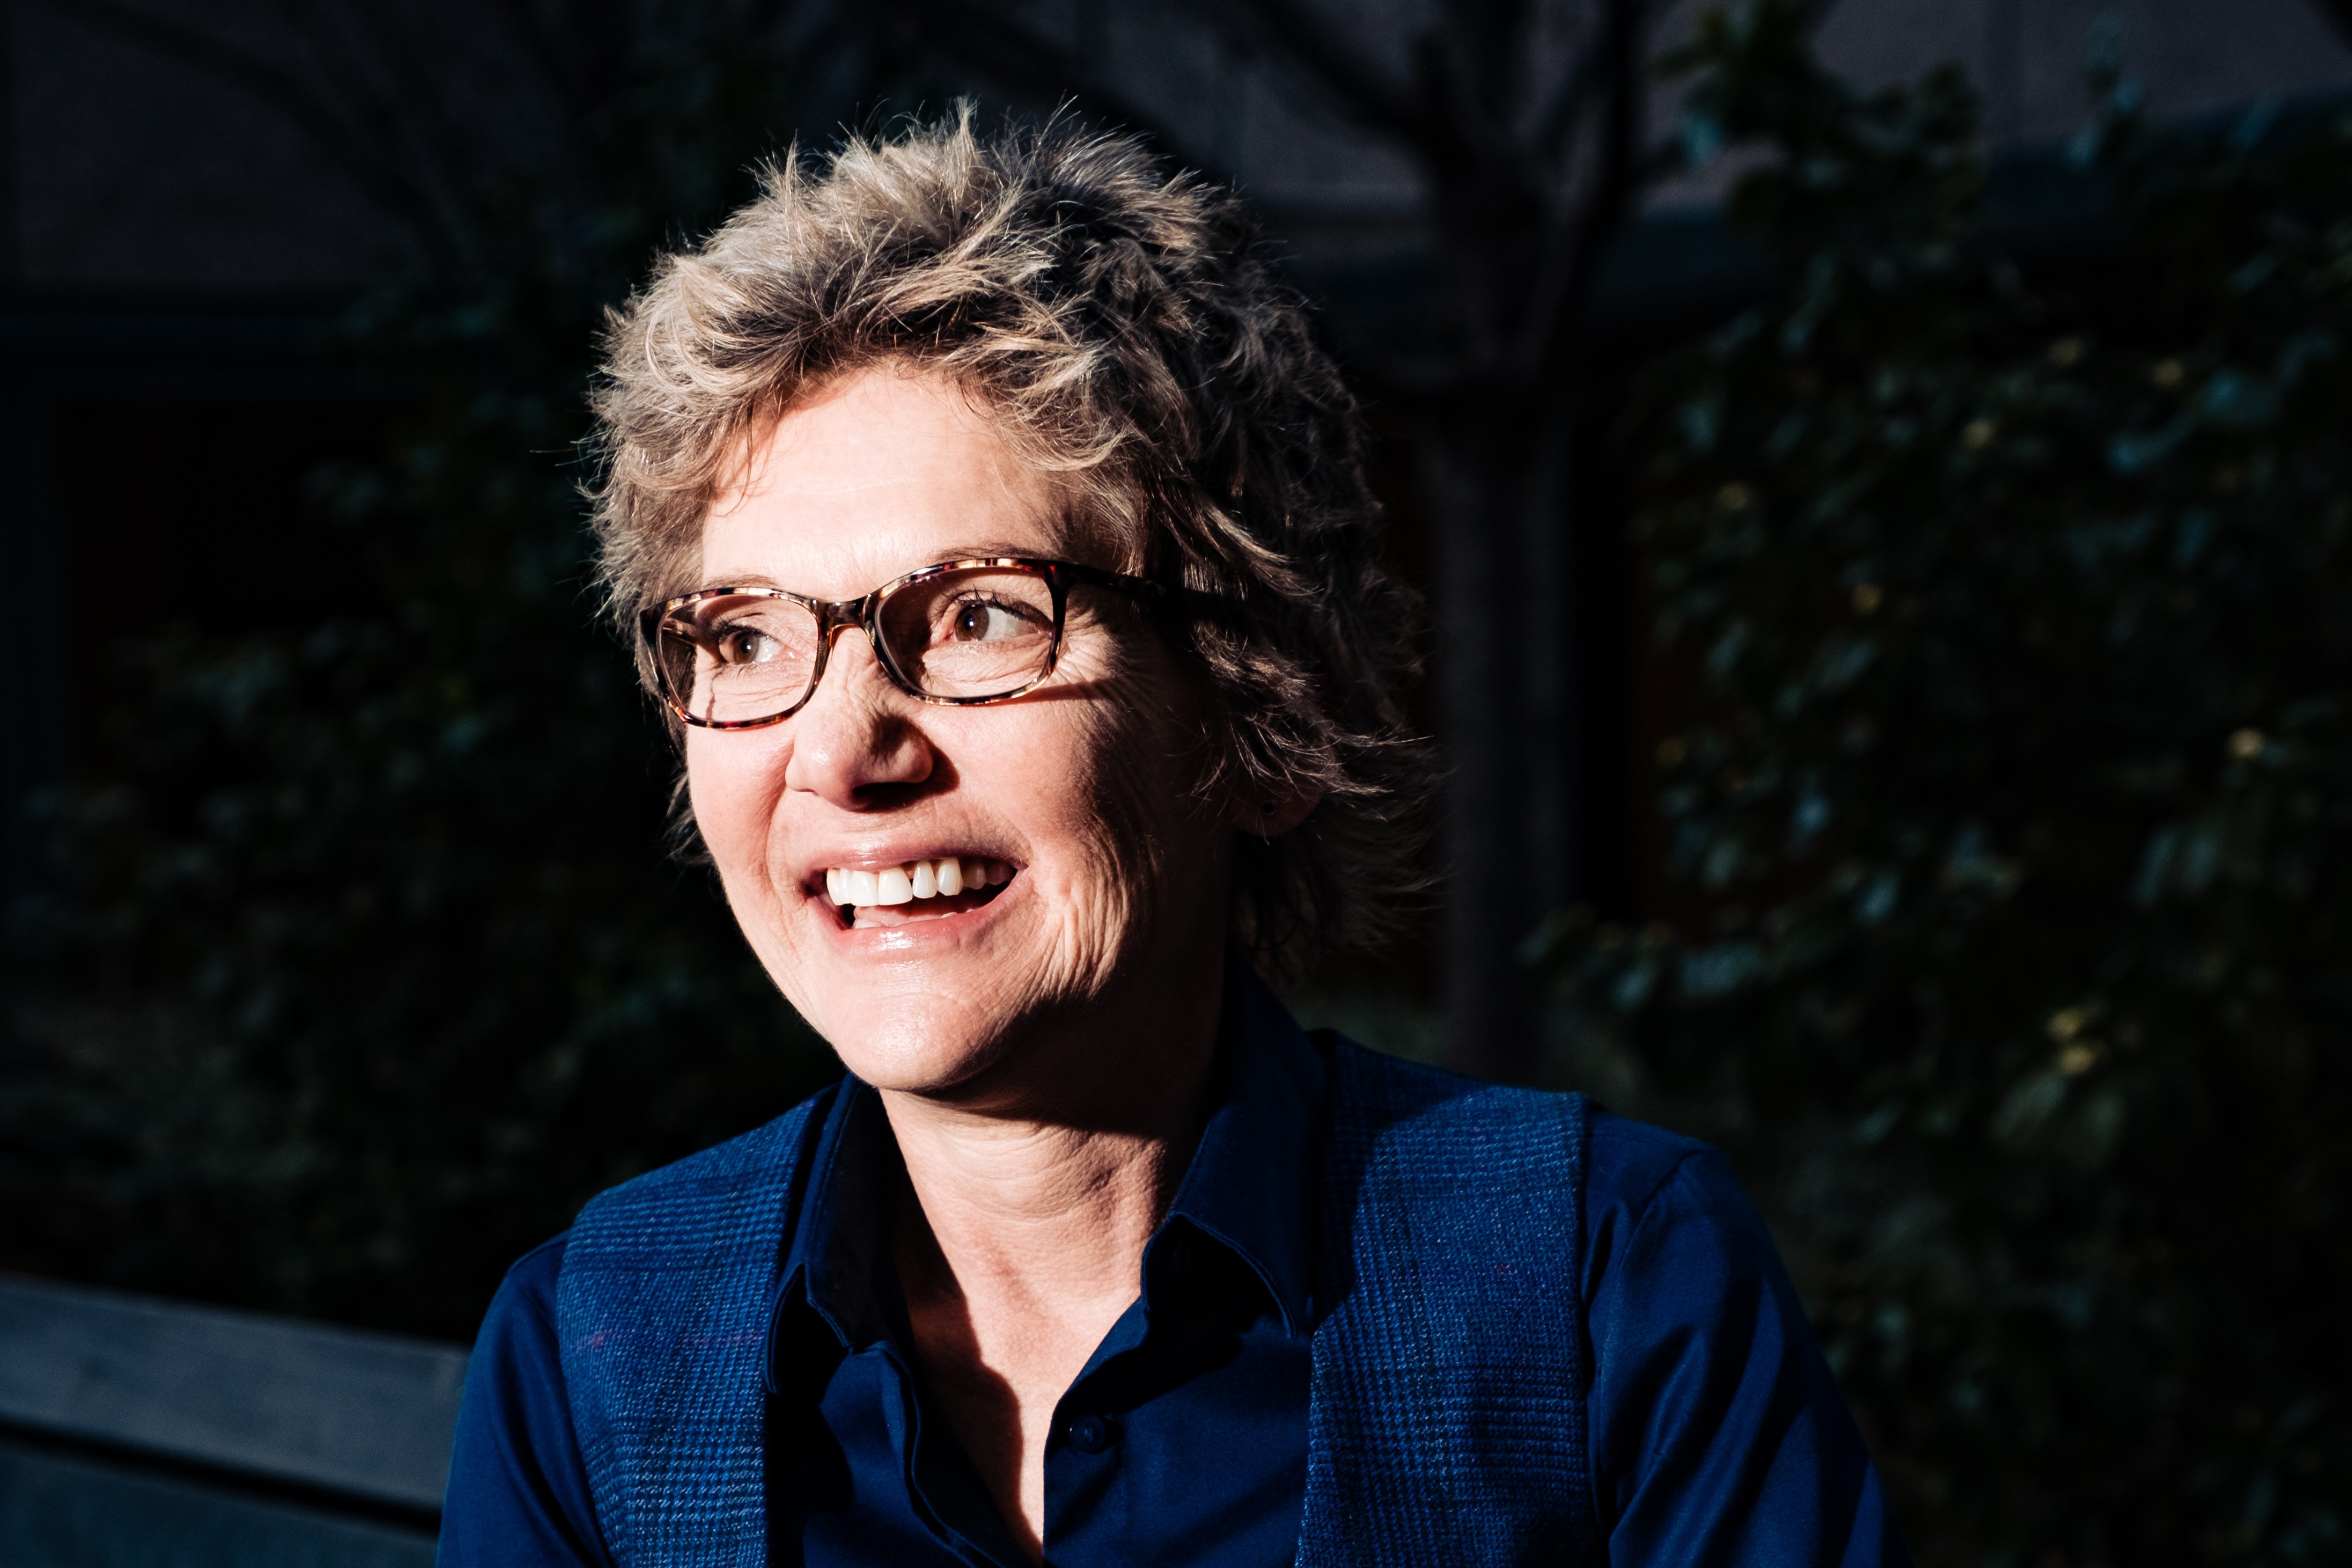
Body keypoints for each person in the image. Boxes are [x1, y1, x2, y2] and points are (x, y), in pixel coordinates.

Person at [437, 110, 1908, 1568]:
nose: (840, 746)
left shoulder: (1608, 1294)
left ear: (1260, 712)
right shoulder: (594, 1355)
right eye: (744, 636)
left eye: (981, 615)